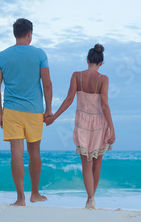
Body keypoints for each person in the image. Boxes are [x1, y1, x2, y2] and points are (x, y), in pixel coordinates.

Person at [45, 44, 115, 209]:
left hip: (82, 123)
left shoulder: (77, 76)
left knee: (86, 164)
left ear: (87, 60)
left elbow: (69, 99)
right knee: (97, 164)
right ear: (101, 63)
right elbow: (104, 104)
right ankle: (91, 199)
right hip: (99, 123)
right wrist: (112, 127)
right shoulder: (103, 79)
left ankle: (90, 199)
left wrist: (54, 117)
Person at [0, 18, 53, 206]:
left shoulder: (2, 55)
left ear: (15, 34)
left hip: (11, 110)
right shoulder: (40, 54)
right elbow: (47, 83)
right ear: (29, 33)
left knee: (16, 154)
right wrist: (49, 108)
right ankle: (35, 193)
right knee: (35, 153)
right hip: (34, 110)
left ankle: (20, 198)